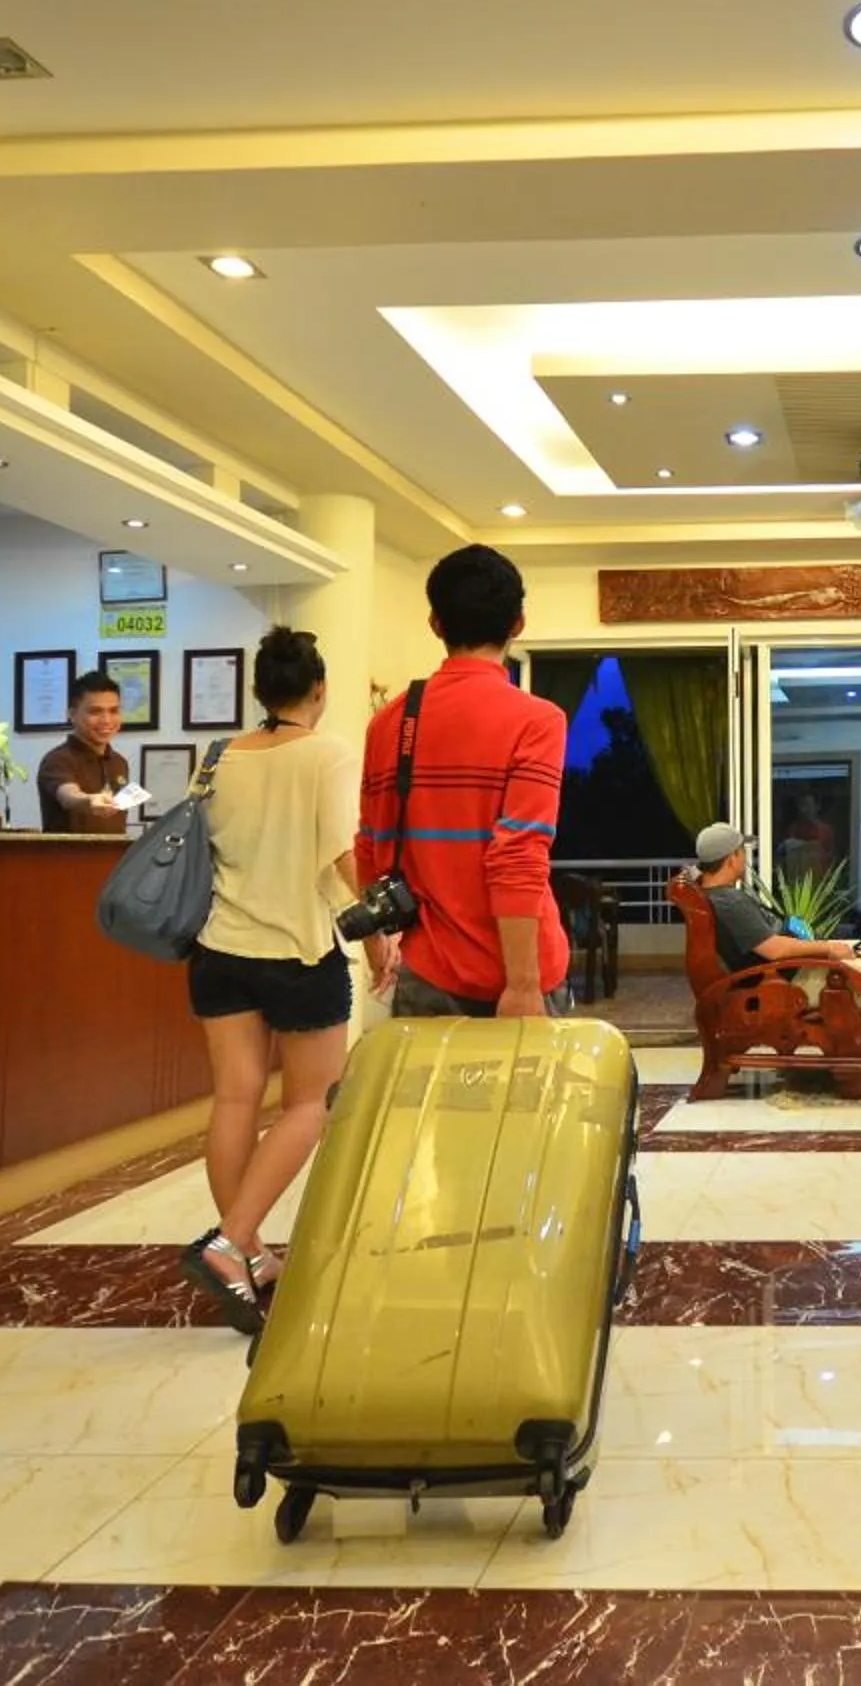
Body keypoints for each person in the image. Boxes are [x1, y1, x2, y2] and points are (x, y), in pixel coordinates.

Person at [178, 627, 372, 1334]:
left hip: (219, 949)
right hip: (297, 951)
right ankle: (232, 1244)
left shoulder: (217, 756)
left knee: (235, 1098)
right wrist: (380, 931)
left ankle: (252, 1254)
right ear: (319, 689)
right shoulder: (326, 752)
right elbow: (341, 853)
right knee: (311, 1102)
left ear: (259, 690)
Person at [354, 545, 568, 1018]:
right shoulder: (537, 721)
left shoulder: (389, 723)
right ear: (518, 624)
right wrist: (523, 985)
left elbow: (368, 848)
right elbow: (518, 854)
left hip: (429, 972)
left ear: (435, 623)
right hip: (522, 973)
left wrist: (376, 944)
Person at [696, 822, 861, 1086]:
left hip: (783, 971)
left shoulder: (716, 895)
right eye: (742, 852)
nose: (745, 859)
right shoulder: (730, 902)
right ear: (731, 858)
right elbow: (774, 949)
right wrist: (827, 949)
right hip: (780, 980)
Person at [34, 673, 128, 833]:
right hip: (69, 850)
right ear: (72, 715)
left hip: (117, 850)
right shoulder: (58, 759)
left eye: (114, 711)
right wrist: (89, 800)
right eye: (95, 712)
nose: (106, 720)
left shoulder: (119, 762)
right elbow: (68, 795)